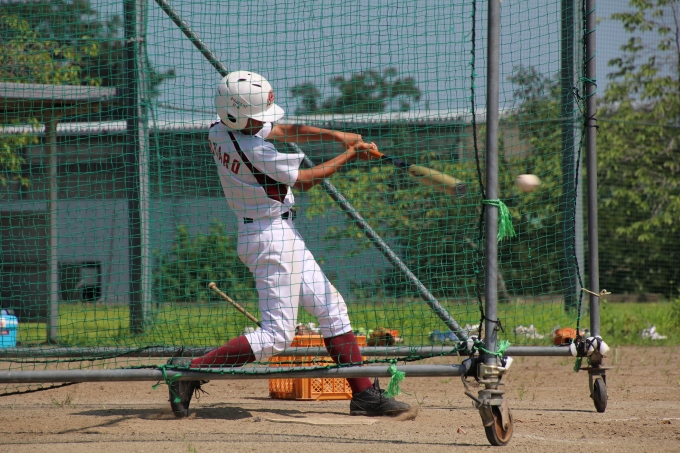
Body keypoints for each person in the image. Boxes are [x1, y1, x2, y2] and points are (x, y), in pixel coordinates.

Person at [167, 70, 411, 419]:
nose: (263, 123)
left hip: (276, 233)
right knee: (277, 336)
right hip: (270, 239)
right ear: (237, 116)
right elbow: (307, 181)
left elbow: (285, 130)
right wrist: (349, 155)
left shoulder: (220, 129)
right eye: (257, 117)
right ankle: (189, 371)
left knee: (332, 309)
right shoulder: (253, 149)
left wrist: (337, 136)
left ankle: (364, 395)